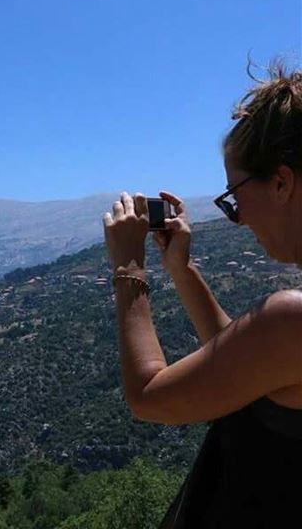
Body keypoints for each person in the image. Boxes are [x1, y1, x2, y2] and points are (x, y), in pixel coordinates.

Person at [102, 59, 302, 527]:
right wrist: (182, 269)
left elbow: (150, 397)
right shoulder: (287, 331)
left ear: (280, 182)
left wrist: (128, 267)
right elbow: (254, 371)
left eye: (234, 195)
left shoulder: (291, 319)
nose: (239, 216)